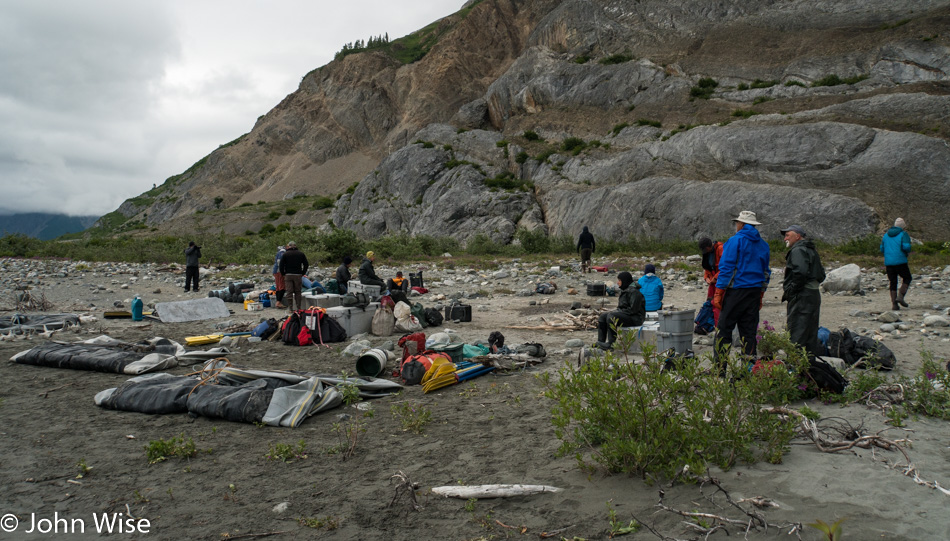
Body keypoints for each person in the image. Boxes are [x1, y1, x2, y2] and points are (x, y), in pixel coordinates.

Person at [713, 211, 771, 373]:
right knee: (749, 332)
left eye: (737, 223)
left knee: (724, 330)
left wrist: (719, 291)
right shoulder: (763, 245)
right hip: (753, 292)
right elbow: (766, 272)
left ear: (741, 225)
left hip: (736, 291)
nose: (736, 225)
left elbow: (726, 268)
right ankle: (748, 369)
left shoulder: (734, 241)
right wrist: (761, 294)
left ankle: (720, 369)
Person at [781, 225, 825, 358]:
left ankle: (795, 368)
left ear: (797, 236)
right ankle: (809, 367)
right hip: (813, 294)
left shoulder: (798, 250)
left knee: (797, 332)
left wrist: (791, 290)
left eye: (788, 235)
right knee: (810, 332)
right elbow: (821, 274)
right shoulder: (811, 249)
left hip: (802, 296)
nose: (785, 239)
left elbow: (800, 272)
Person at [595, 271, 646, 350]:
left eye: (619, 280)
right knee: (603, 316)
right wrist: (618, 311)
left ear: (624, 281)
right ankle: (600, 342)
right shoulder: (625, 290)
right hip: (628, 315)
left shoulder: (634, 292)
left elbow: (633, 310)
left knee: (611, 316)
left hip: (636, 318)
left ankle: (611, 344)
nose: (618, 282)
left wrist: (618, 312)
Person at [880, 217, 912, 310]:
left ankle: (894, 304)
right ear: (903, 226)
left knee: (893, 282)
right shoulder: (903, 234)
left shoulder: (886, 235)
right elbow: (906, 247)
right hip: (901, 261)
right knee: (907, 278)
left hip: (889, 263)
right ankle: (900, 297)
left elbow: (882, 248)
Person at [699, 237, 724, 325]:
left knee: (718, 303)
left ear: (709, 247)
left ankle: (719, 325)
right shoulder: (708, 253)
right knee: (711, 303)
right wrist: (706, 278)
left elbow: (725, 267)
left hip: (721, 280)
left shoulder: (720, 249)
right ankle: (712, 324)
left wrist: (715, 278)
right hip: (713, 282)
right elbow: (707, 268)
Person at [278, 241, 309, 312]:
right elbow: (306, 264)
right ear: (295, 246)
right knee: (298, 292)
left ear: (289, 246)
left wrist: (283, 274)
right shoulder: (301, 254)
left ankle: (290, 308)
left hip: (288, 275)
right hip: (298, 275)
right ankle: (299, 307)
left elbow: (281, 265)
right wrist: (302, 272)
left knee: (289, 292)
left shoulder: (285, 254)